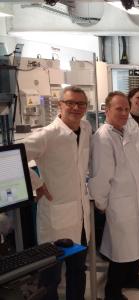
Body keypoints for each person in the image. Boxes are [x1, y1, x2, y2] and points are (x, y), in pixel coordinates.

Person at [23, 86, 91, 300]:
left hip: (80, 215)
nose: (76, 107)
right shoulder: (47, 135)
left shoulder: (87, 128)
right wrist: (37, 183)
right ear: (60, 105)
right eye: (70, 102)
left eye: (81, 104)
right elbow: (12, 157)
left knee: (78, 270)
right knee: (50, 277)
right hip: (56, 216)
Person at [89, 92, 139, 300]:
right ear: (106, 110)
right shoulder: (103, 137)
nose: (124, 113)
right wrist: (102, 204)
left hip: (133, 197)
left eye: (127, 109)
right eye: (119, 109)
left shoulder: (124, 132)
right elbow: (100, 177)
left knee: (134, 242)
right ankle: (113, 291)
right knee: (120, 247)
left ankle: (132, 277)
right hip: (118, 202)